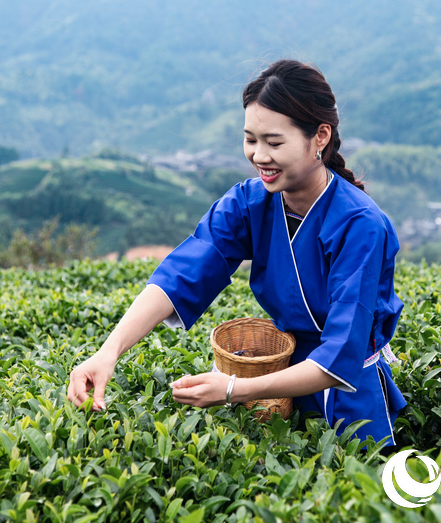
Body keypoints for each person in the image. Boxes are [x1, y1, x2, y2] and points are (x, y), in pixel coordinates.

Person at [67, 60, 407, 448]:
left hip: (345, 397)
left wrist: (233, 389)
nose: (259, 155)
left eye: (274, 142)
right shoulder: (249, 203)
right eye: (251, 140)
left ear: (320, 137)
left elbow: (340, 355)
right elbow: (182, 274)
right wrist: (108, 351)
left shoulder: (361, 224)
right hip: (273, 383)